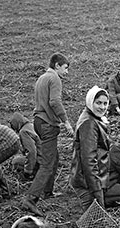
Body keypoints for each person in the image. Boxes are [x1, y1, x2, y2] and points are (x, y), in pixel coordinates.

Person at [22, 53, 73, 216]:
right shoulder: (55, 79)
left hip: (38, 121)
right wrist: (66, 121)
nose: (67, 72)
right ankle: (31, 199)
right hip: (47, 124)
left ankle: (48, 191)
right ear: (57, 66)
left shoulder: (42, 77)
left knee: (54, 158)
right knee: (47, 164)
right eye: (65, 68)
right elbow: (54, 102)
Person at [69, 86, 111, 228]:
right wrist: (96, 188)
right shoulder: (88, 124)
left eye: (105, 103)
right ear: (90, 102)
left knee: (95, 219)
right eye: (98, 103)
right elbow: (88, 159)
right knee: (94, 222)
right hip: (88, 181)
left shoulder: (92, 119)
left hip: (91, 179)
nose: (102, 107)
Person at [9, 112, 41, 181]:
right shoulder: (30, 126)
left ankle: (34, 172)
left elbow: (32, 151)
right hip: (46, 158)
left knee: (15, 162)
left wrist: (28, 171)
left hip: (40, 161)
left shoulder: (23, 132)